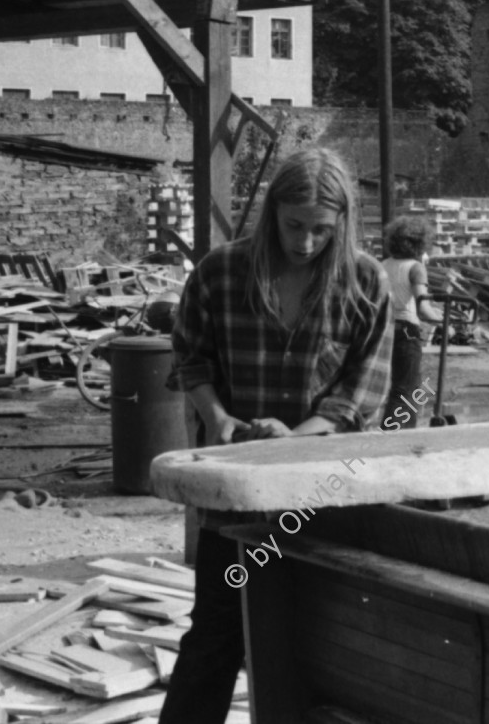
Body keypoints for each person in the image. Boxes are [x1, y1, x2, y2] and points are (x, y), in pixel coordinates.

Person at [161, 147, 393, 723]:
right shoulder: (220, 271)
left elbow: (361, 395)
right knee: (217, 631)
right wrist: (218, 420)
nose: (306, 241)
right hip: (235, 497)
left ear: (342, 224)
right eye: (294, 225)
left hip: (322, 494)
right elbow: (191, 360)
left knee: (319, 639)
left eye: (321, 229)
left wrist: (295, 437)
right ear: (272, 214)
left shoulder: (365, 282)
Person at [381, 215, 443, 430]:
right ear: (420, 243)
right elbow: (422, 307)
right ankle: (398, 434)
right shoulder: (415, 267)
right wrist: (447, 322)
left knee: (393, 386)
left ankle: (390, 428)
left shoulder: (382, 265)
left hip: (384, 329)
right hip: (407, 329)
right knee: (407, 387)